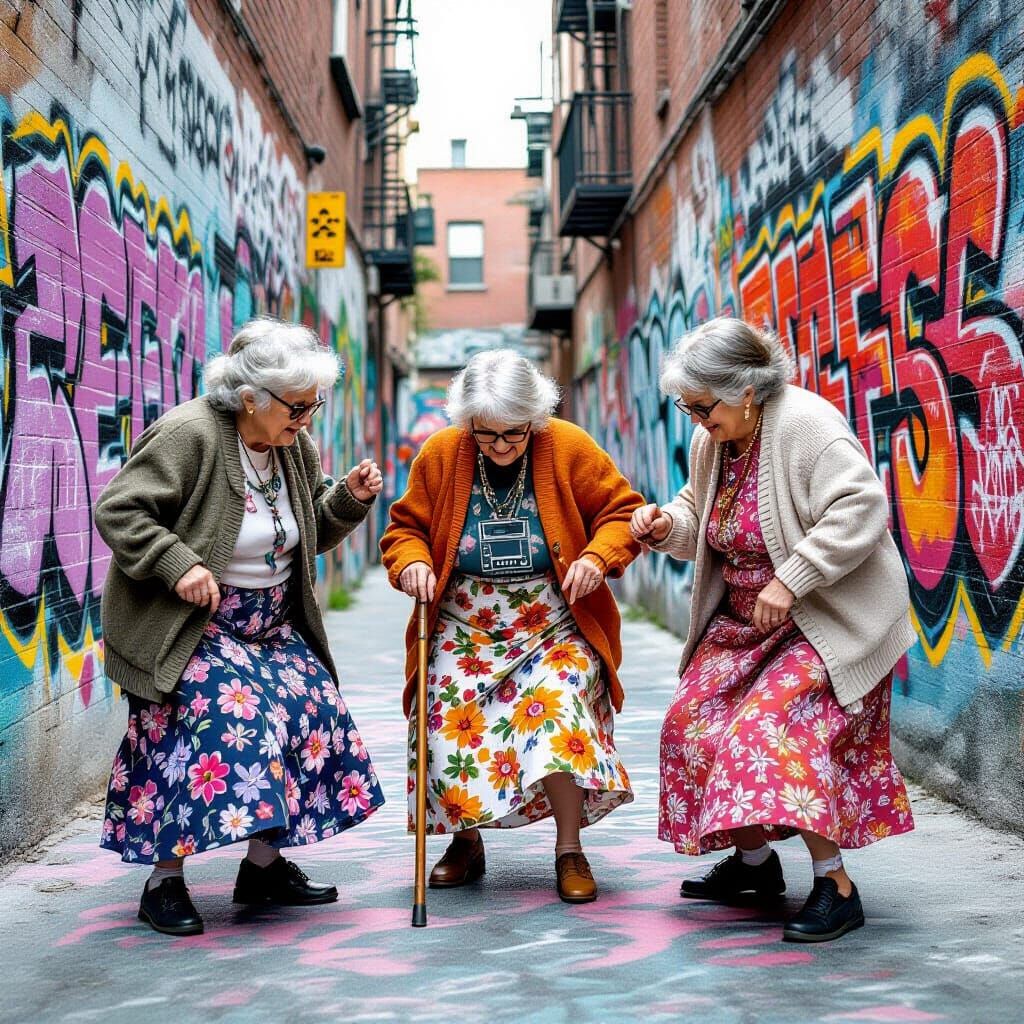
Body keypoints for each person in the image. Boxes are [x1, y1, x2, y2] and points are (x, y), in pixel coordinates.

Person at [95, 317, 385, 936]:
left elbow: (305, 535)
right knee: (230, 723)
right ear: (250, 397)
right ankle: (163, 881)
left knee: (313, 711)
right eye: (297, 406)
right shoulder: (188, 434)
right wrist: (178, 565)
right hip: (190, 626)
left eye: (314, 405)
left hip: (269, 626)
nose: (307, 418)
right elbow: (118, 508)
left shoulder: (289, 445)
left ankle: (263, 868)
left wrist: (350, 500)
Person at [631, 317, 915, 942]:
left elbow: (862, 505)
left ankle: (836, 885)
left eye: (702, 406)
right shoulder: (717, 441)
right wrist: (663, 526)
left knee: (768, 735)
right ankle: (755, 866)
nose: (695, 419)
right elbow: (700, 515)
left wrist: (791, 579)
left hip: (821, 621)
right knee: (689, 725)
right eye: (687, 406)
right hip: (745, 624)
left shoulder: (807, 425)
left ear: (748, 391)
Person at [380, 349, 643, 903]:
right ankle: (464, 839)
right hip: (464, 622)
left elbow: (621, 513)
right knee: (445, 711)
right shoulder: (443, 453)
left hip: (552, 618)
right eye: (486, 434)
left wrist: (597, 558)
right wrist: (414, 564)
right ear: (467, 424)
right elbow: (404, 528)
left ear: (536, 419)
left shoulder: (567, 446)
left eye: (514, 434)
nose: (500, 446)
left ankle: (569, 848)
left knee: (556, 706)